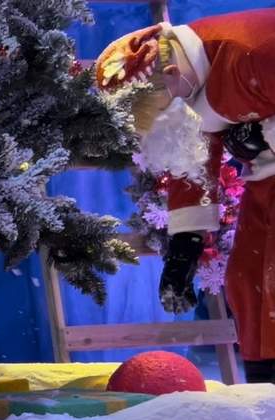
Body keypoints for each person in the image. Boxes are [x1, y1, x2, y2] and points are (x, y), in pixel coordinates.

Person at [95, 9, 275, 383]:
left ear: (172, 76)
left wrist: (264, 133)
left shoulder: (253, 50)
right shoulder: (193, 81)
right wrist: (185, 246)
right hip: (266, 181)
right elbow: (190, 159)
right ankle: (265, 389)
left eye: (157, 113)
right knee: (248, 278)